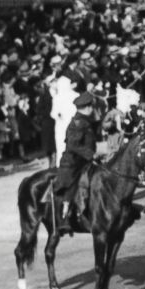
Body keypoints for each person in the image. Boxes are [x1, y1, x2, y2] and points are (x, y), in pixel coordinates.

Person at [51, 91, 100, 228]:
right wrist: (91, 155)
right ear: (88, 107)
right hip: (72, 164)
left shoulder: (84, 121)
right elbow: (73, 146)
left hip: (84, 161)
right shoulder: (78, 123)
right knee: (73, 186)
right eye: (91, 106)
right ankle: (65, 215)